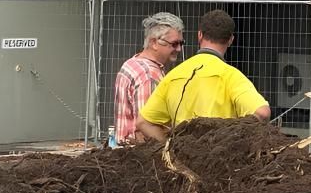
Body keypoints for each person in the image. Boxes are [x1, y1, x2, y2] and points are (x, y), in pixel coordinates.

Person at [136, 9, 269, 143]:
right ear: (230, 40)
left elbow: (143, 122)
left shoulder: (173, 76)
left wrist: (169, 146)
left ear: (199, 35)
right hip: (220, 157)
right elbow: (262, 112)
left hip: (181, 158)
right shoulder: (231, 77)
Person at [112, 12, 185, 144]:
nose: (179, 49)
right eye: (174, 44)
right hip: (140, 156)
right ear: (154, 43)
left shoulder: (132, 63)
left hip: (125, 152)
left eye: (181, 43)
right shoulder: (149, 76)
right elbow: (147, 127)